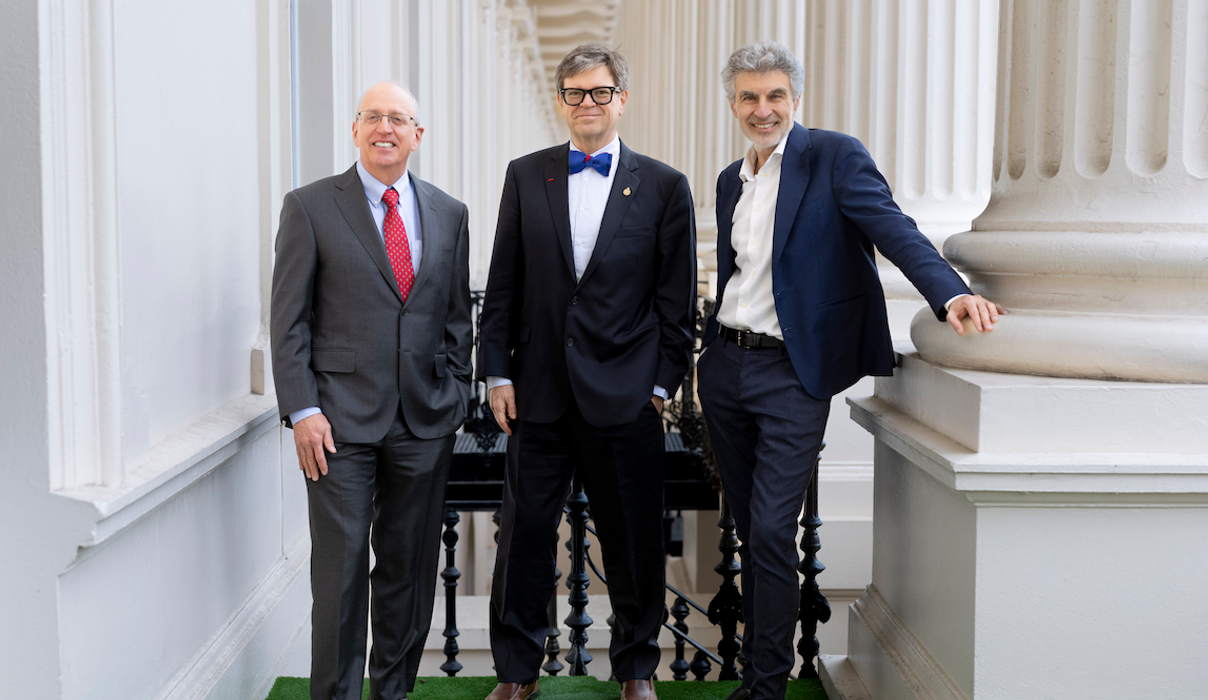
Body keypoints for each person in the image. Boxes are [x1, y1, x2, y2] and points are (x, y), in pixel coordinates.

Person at [696, 41, 1005, 700]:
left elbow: (894, 229)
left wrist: (949, 293)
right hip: (724, 368)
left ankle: (765, 686)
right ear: (732, 104)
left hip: (791, 375)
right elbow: (739, 273)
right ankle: (756, 674)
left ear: (795, 99)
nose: (762, 109)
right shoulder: (730, 179)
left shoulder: (832, 157)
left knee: (772, 530)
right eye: (749, 97)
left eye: (775, 95)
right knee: (750, 530)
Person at [478, 43, 697, 700]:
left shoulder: (664, 186)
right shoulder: (525, 175)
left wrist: (659, 388)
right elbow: (504, 282)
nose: (587, 103)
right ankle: (516, 673)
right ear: (561, 101)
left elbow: (675, 303)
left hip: (625, 395)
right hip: (536, 392)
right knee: (523, 537)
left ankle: (635, 670)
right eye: (575, 93)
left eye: (600, 92)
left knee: (632, 538)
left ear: (621, 100)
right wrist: (496, 374)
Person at [271, 82, 472, 700]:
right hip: (335, 423)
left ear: (417, 135)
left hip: (425, 419)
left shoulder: (449, 212)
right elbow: (288, 319)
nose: (386, 128)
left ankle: (393, 692)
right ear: (355, 129)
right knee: (340, 571)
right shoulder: (310, 206)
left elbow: (456, 316)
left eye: (399, 119)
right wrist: (303, 409)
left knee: (409, 569)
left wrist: (457, 390)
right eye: (374, 117)